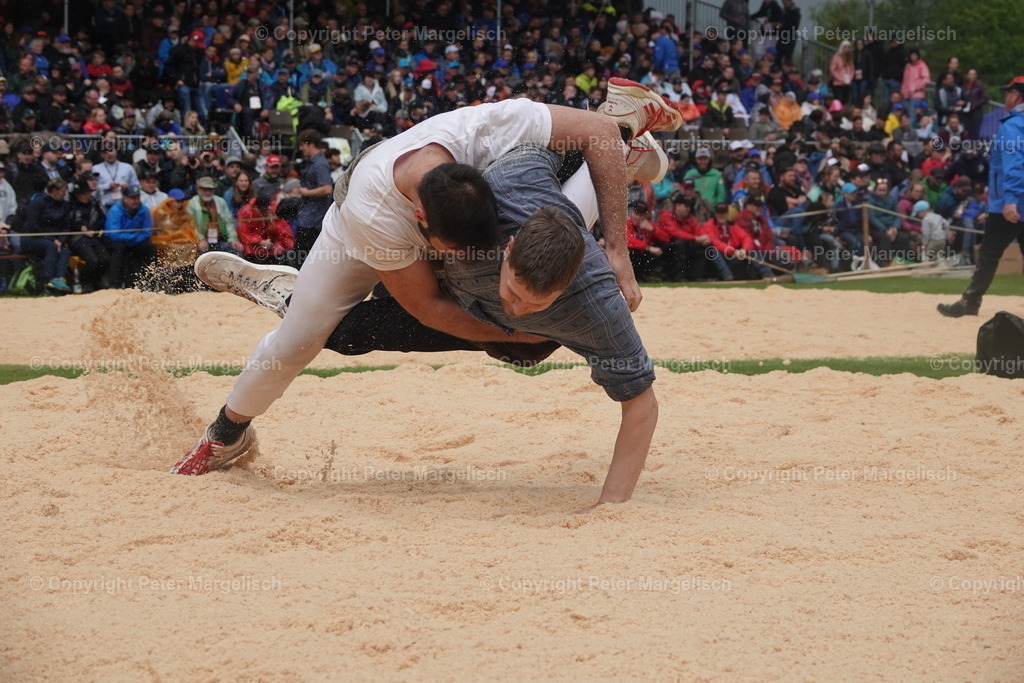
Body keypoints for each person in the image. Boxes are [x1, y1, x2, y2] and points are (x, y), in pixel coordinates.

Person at [169, 80, 681, 475]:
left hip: (457, 208)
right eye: (449, 253)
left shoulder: (486, 129)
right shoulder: (381, 217)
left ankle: (626, 139)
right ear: (421, 220)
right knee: (302, 340)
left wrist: (617, 248)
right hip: (359, 229)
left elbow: (590, 134)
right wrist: (517, 330)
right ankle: (227, 433)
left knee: (537, 274)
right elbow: (427, 308)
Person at [938, 79, 1024, 315]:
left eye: (1008, 92)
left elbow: (1014, 165)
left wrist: (1010, 199)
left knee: (988, 255)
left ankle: (970, 302)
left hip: (1008, 204)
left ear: (1017, 96)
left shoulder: (1012, 126)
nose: (1005, 97)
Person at [13, 177, 73, 294]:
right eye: (62, 191)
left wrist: (60, 240)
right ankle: (48, 281)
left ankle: (59, 279)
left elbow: (66, 227)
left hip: (54, 241)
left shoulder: (65, 205)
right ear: (54, 190)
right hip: (31, 239)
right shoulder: (38, 202)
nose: (64, 194)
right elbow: (32, 225)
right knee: (51, 247)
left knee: (65, 251)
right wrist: (51, 239)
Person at [103, 183, 155, 288]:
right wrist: (134, 236)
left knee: (149, 248)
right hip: (116, 242)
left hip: (134, 241)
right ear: (125, 198)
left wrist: (132, 238)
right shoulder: (115, 210)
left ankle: (149, 282)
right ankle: (114, 284)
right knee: (119, 248)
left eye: (137, 197)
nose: (135, 201)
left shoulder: (144, 210)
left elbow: (147, 233)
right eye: (132, 198)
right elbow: (114, 235)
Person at [293, 129, 334, 260]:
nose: (301, 149)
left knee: (304, 259)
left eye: (302, 145)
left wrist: (305, 192)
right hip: (309, 217)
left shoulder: (319, 164)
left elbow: (327, 189)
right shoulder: (314, 163)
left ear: (311, 144)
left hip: (313, 220)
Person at [68, 173, 110, 292]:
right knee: (93, 260)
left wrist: (94, 229)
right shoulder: (71, 205)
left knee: (105, 259)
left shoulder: (94, 204)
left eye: (87, 193)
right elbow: (69, 221)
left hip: (93, 237)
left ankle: (97, 281)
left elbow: (101, 218)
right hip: (77, 238)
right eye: (83, 193)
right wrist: (81, 227)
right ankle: (84, 281)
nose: (86, 196)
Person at [236, 185, 296, 267]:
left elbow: (283, 230)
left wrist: (272, 223)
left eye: (265, 210)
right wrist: (260, 241)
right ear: (256, 207)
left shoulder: (272, 209)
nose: (263, 212)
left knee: (283, 253)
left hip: (271, 245)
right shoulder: (246, 212)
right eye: (261, 210)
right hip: (252, 246)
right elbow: (244, 234)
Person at [188, 176, 242, 255]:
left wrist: (233, 239)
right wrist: (200, 240)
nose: (207, 192)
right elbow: (191, 226)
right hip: (201, 240)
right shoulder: (192, 204)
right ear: (198, 190)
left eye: (210, 190)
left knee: (235, 251)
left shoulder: (220, 201)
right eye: (204, 190)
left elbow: (228, 222)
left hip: (220, 239)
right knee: (202, 253)